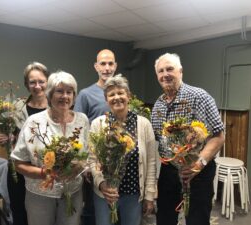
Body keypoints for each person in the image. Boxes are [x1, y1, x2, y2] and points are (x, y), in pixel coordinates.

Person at [151, 53, 225, 225]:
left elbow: (219, 136)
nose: (165, 74)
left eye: (170, 69)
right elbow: (158, 139)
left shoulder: (200, 97)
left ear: (181, 71)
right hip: (169, 172)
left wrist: (198, 164)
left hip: (199, 172)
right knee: (164, 218)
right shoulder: (158, 105)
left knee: (197, 220)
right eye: (161, 71)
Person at [10, 71, 90, 225]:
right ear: (50, 94)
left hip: (73, 193)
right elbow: (18, 163)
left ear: (74, 96)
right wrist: (45, 172)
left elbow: (86, 155)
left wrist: (79, 167)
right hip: (40, 195)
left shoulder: (82, 120)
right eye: (59, 91)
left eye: (69, 92)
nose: (64, 96)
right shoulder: (34, 122)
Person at [89, 75, 157, 225]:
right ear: (106, 100)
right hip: (106, 193)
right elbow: (92, 159)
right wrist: (101, 184)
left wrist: (149, 195)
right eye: (111, 94)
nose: (116, 97)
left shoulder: (144, 124)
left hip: (133, 193)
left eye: (120, 93)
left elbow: (152, 162)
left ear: (129, 96)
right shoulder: (97, 124)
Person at [0, 61, 49, 225]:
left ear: (48, 82)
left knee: (43, 213)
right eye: (32, 82)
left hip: (44, 170)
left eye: (41, 81)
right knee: (19, 211)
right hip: (17, 171)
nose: (37, 86)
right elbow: (7, 136)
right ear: (27, 85)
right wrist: (2, 139)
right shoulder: (16, 108)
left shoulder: (56, 107)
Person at [74, 49, 117, 225]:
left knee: (115, 206)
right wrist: (85, 165)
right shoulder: (85, 94)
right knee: (93, 210)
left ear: (115, 66)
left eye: (110, 63)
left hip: (117, 162)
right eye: (103, 64)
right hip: (95, 163)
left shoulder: (121, 91)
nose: (106, 68)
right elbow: (77, 131)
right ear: (96, 66)